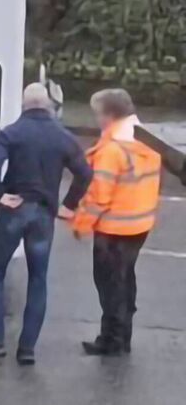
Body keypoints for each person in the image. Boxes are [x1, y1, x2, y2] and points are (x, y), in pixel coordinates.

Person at [0, 83, 93, 365]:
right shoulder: (63, 136)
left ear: (24, 105)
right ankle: (27, 350)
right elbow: (84, 173)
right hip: (44, 215)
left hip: (15, 209)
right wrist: (69, 205)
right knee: (38, 279)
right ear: (48, 105)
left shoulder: (12, 132)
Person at [72, 89, 161, 356]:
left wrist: (81, 224)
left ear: (109, 115)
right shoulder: (147, 140)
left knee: (110, 285)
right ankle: (123, 336)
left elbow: (100, 196)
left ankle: (111, 340)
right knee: (125, 280)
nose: (96, 119)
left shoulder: (112, 150)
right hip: (139, 224)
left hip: (113, 228)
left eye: (98, 114)